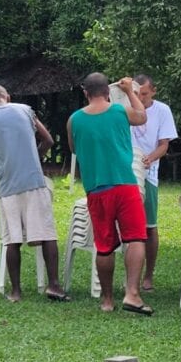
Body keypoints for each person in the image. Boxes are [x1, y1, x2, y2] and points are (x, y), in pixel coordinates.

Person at [0, 85, 68, 303]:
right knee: (47, 234)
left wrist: (0, 170)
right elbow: (48, 140)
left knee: (12, 239)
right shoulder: (25, 110)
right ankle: (54, 285)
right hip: (33, 181)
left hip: (7, 186)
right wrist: (35, 158)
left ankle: (16, 291)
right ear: (7, 97)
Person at [67, 73, 151, 315]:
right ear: (108, 92)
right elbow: (142, 116)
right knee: (135, 238)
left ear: (85, 93)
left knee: (104, 246)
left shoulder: (74, 120)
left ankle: (106, 300)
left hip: (96, 190)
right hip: (124, 185)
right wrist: (130, 91)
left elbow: (73, 148)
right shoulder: (119, 111)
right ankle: (132, 294)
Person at [131, 74, 178, 292]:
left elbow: (164, 144)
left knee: (149, 226)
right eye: (136, 94)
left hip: (148, 173)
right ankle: (131, 276)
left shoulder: (162, 111)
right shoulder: (125, 108)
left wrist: (150, 158)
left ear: (153, 91)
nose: (140, 98)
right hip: (126, 171)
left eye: (144, 94)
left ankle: (148, 275)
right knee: (130, 227)